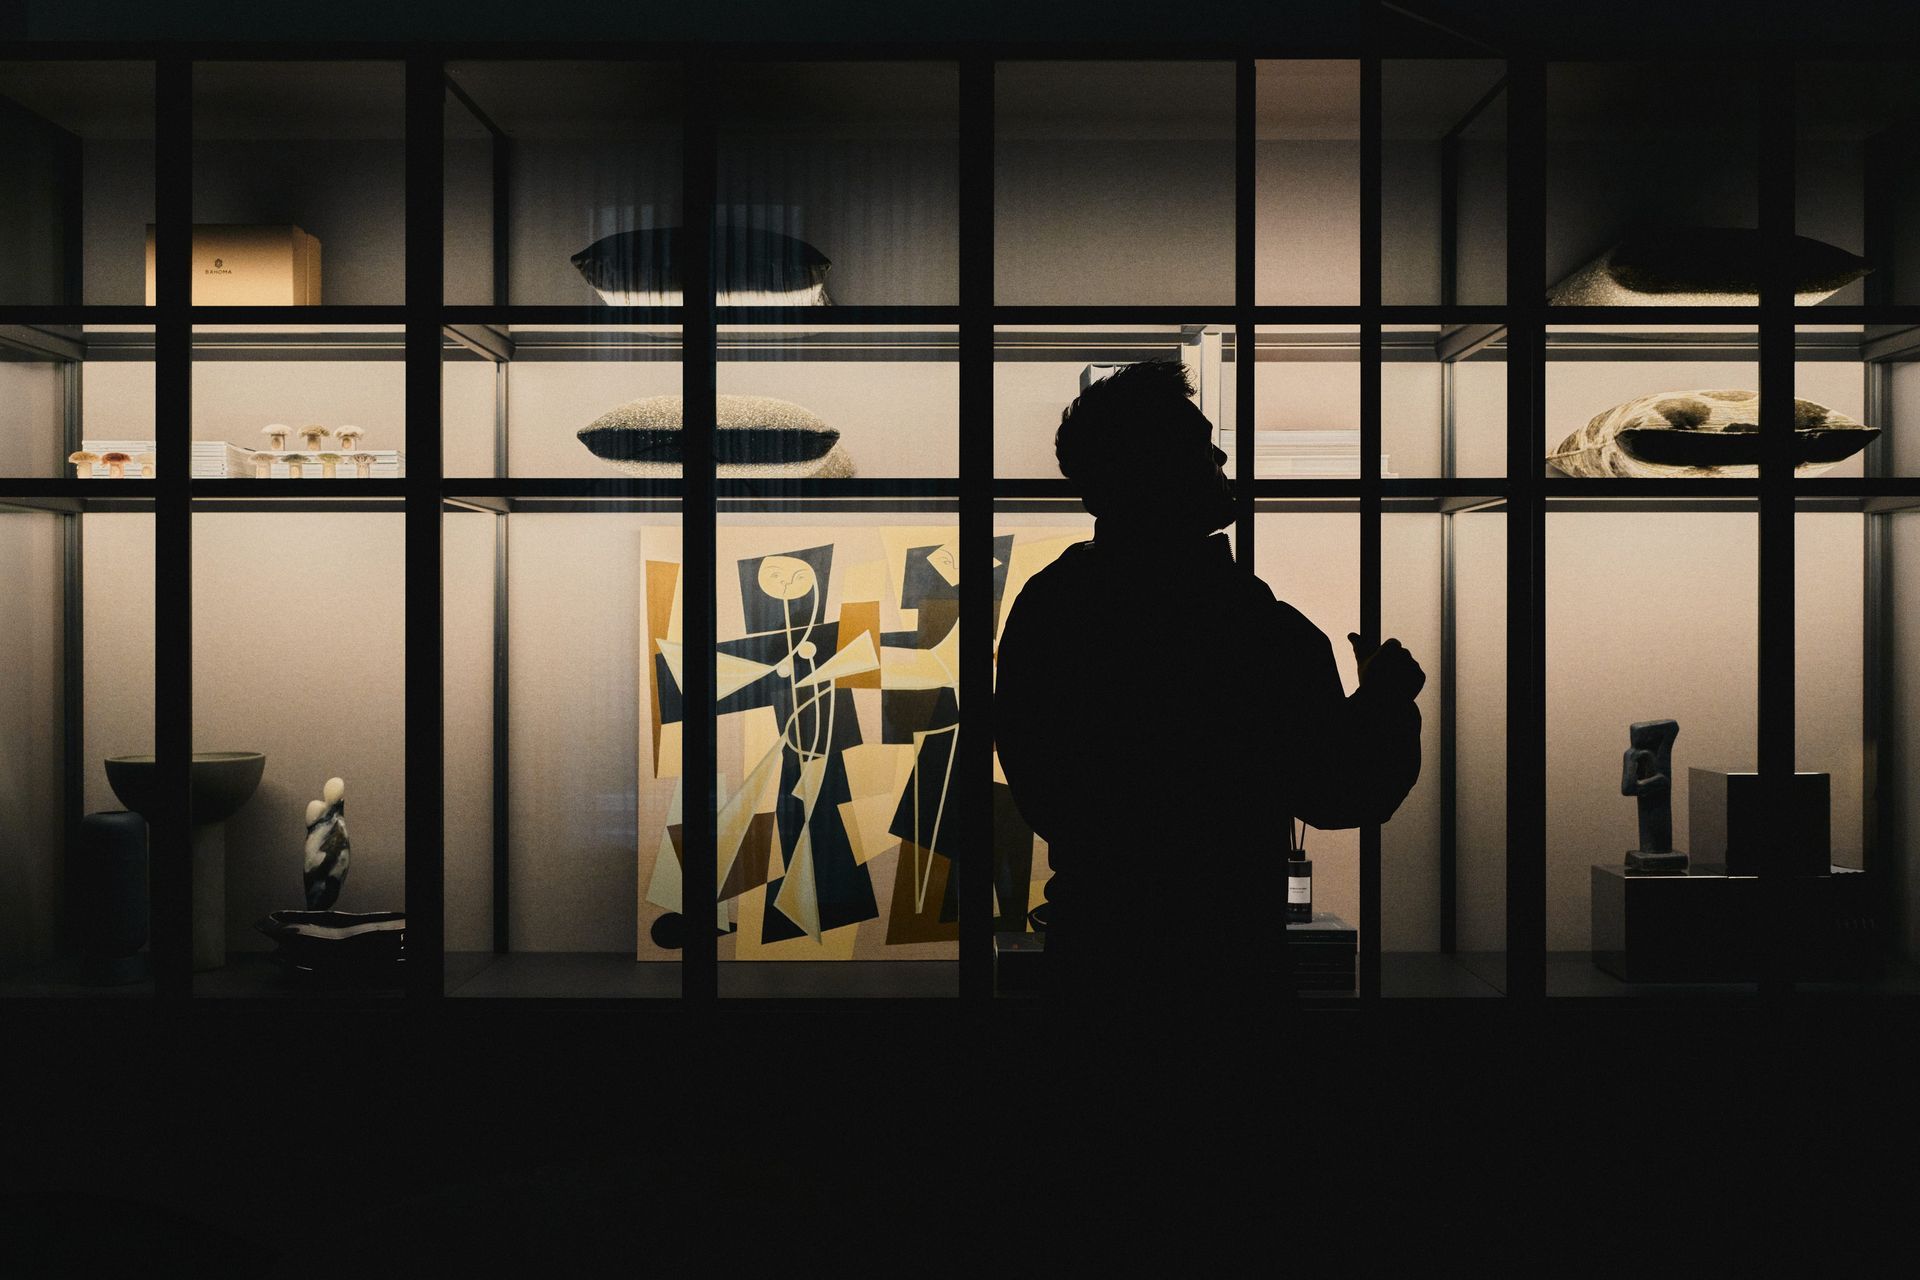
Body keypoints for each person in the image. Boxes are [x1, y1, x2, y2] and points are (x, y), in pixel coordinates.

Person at [994, 359, 1425, 1002]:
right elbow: (1340, 791)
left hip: (1095, 947)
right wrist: (1386, 701)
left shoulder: (1050, 605)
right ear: (1153, 470)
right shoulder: (1249, 622)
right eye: (1198, 443)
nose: (1220, 453)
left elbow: (1043, 787)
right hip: (1230, 954)